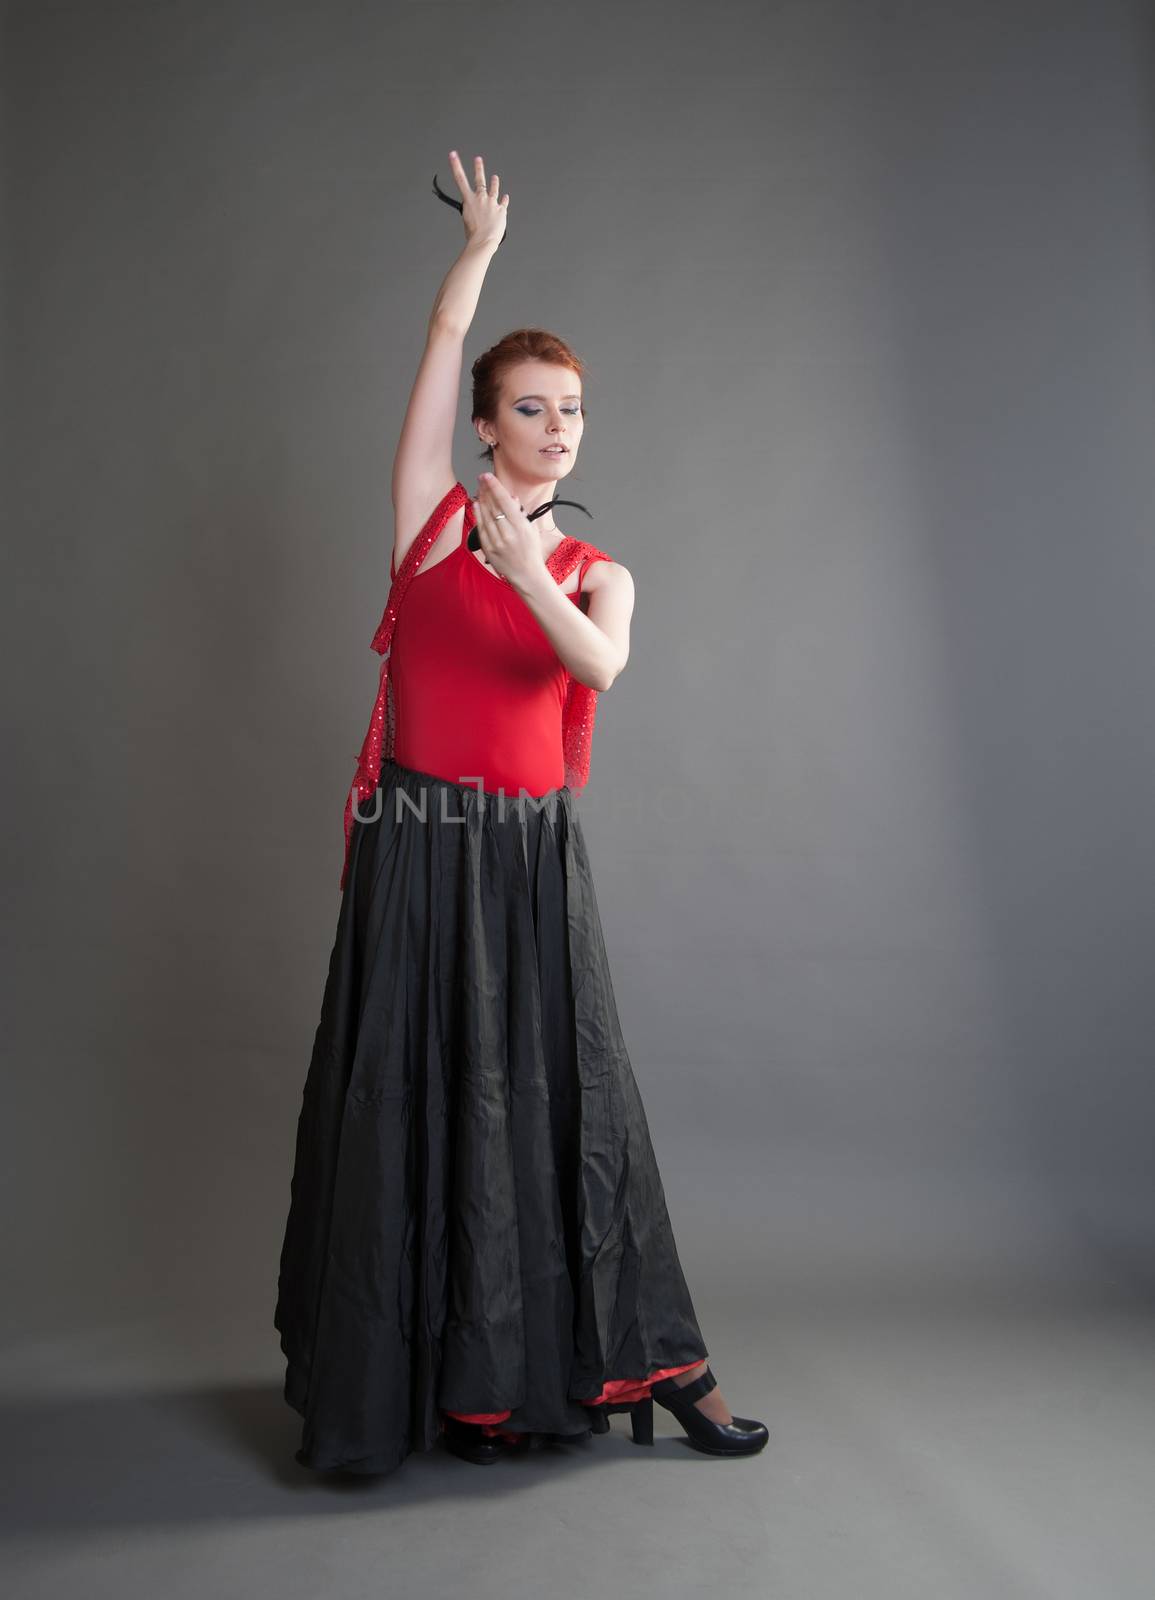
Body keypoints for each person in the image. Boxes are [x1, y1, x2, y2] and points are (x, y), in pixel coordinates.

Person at [273, 150, 768, 1475]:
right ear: (487, 426)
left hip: (530, 865)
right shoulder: (426, 528)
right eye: (532, 409)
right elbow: (440, 342)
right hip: (418, 855)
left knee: (563, 1111)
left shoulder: (599, 573)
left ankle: (669, 1372)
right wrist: (478, 257)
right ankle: (414, 1391)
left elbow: (596, 668)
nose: (558, 428)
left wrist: (527, 567)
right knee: (411, 1111)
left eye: (573, 413)